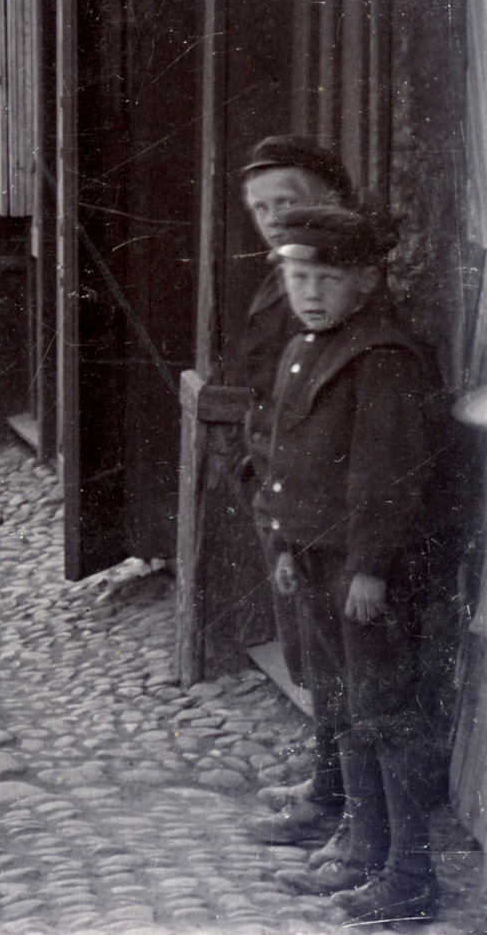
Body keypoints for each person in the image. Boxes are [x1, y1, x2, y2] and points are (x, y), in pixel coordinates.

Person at [253, 204, 456, 926]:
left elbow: (388, 474)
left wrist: (370, 566)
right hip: (315, 562)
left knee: (386, 715)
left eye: (327, 278)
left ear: (367, 281)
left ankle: (407, 880)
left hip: (365, 577)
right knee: (345, 708)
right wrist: (284, 548)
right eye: (298, 276)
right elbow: (285, 457)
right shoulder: (310, 345)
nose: (309, 291)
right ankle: (362, 850)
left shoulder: (382, 358)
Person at [223, 135, 362, 853]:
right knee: (309, 647)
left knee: (337, 655)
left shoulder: (330, 281)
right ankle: (327, 781)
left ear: (329, 201)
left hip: (318, 495)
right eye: (260, 207)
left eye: (288, 201)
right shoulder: (282, 275)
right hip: (280, 482)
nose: (273, 218)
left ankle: (334, 800)